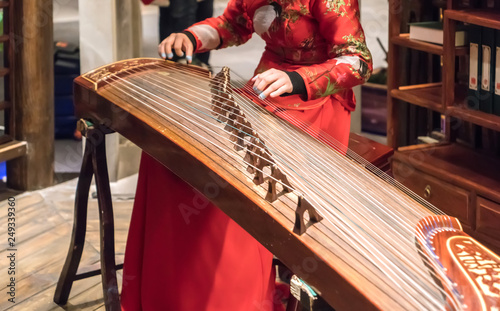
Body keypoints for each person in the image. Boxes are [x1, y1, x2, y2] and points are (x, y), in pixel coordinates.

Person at [121, 0, 372, 310]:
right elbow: (231, 25)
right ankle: (170, 298)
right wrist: (190, 37)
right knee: (169, 157)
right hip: (264, 94)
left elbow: (359, 62)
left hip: (316, 102)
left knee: (232, 180)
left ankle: (232, 299)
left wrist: (298, 79)